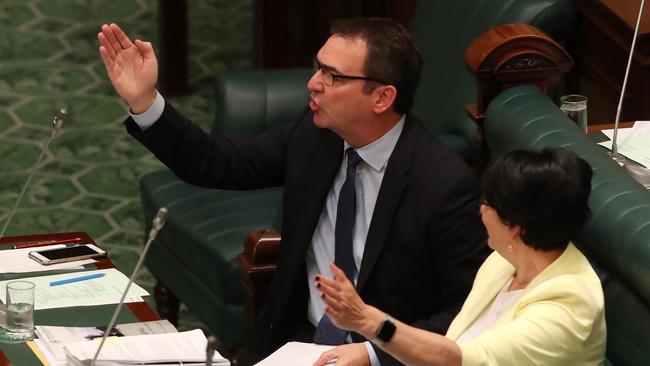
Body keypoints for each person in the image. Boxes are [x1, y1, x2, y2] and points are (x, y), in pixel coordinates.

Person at [98, 18, 488, 366]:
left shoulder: (442, 184)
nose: (313, 83)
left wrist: (374, 353)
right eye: (318, 67)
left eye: (333, 76)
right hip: (294, 343)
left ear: (382, 97)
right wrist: (144, 101)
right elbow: (215, 161)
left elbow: (470, 312)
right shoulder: (316, 136)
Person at [315, 148, 606, 366]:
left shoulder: (568, 307)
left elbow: (464, 359)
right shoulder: (505, 261)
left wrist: (369, 321)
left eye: (487, 202)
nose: (480, 210)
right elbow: (455, 337)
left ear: (514, 226)